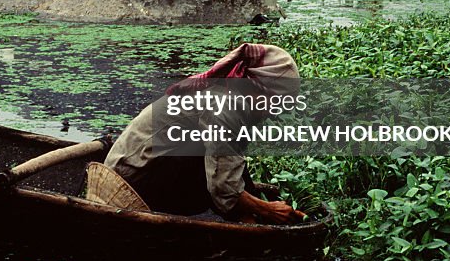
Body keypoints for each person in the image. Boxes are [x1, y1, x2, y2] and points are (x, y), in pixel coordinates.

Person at [104, 43, 305, 225]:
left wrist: (255, 201)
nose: (272, 112)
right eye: (274, 103)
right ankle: (248, 224)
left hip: (148, 169)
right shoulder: (225, 105)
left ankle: (249, 219)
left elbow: (230, 161)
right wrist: (267, 209)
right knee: (215, 167)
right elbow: (224, 186)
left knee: (227, 159)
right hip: (129, 181)